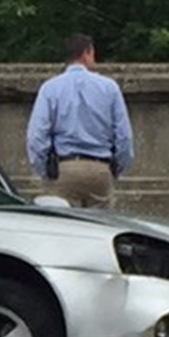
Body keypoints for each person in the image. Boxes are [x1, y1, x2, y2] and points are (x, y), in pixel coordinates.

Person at [26, 34, 134, 208]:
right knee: (101, 228)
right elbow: (124, 136)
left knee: (65, 229)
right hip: (99, 168)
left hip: (64, 168)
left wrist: (44, 170)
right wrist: (115, 169)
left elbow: (37, 135)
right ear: (86, 53)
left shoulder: (50, 88)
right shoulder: (109, 88)